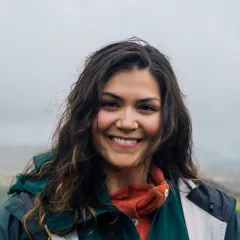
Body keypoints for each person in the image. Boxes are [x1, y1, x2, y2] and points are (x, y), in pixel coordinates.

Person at [0, 38, 239, 240]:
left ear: (168, 120)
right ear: (86, 113)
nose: (126, 122)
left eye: (145, 107)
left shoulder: (214, 218)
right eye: (110, 104)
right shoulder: (30, 217)